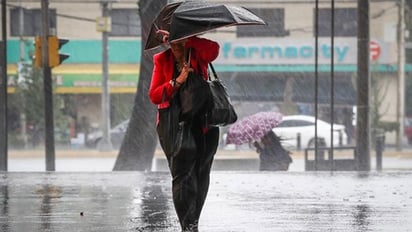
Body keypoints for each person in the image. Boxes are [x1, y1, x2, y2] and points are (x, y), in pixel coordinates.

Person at [148, 30, 220, 232]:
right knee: (181, 175)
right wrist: (177, 81)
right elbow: (154, 95)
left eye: (180, 44)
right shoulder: (162, 60)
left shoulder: (198, 53)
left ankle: (193, 221)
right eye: (173, 44)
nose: (177, 49)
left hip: (204, 123)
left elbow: (214, 50)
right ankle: (187, 226)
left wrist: (188, 38)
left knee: (201, 173)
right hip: (173, 124)